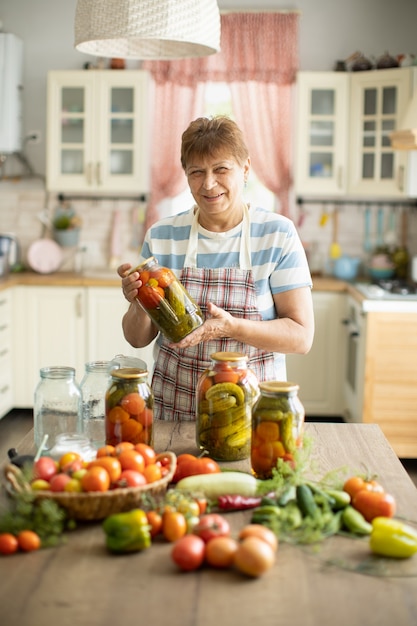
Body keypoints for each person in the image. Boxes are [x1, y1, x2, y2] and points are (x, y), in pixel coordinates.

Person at [118, 115, 314, 421]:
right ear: (186, 175)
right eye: (197, 172)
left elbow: (301, 337)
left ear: (245, 168)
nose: (209, 184)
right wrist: (139, 302)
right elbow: (137, 338)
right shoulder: (162, 236)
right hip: (176, 410)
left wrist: (232, 327)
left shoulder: (277, 234)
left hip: (253, 416)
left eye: (221, 169)